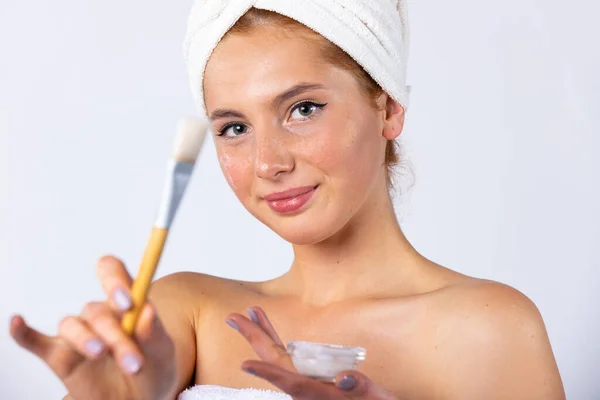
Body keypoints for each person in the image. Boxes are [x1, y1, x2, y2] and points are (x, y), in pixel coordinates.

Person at [9, 1, 566, 399]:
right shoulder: (185, 316)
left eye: (302, 109)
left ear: (388, 106)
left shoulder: (491, 330)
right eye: (233, 128)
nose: (267, 163)